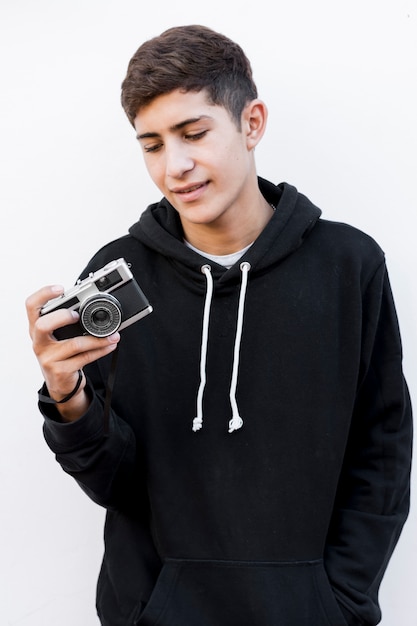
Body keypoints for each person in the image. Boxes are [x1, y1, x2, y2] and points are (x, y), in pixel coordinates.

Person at [26, 24, 412, 626]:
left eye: (193, 133)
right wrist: (67, 398)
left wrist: (341, 601)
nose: (174, 165)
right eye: (151, 144)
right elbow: (114, 484)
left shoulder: (349, 266)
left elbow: (382, 453)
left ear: (251, 123)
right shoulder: (117, 278)